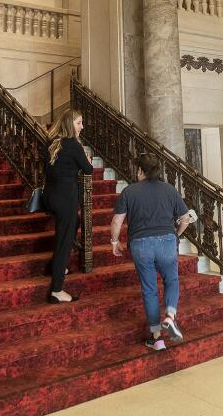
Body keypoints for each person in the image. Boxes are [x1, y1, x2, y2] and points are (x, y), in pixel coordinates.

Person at [111, 153, 192, 351]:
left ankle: (157, 338)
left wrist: (115, 242)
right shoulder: (170, 190)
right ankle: (170, 316)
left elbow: (116, 221)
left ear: (140, 170)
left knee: (149, 289)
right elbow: (186, 218)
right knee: (171, 280)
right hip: (166, 241)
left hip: (140, 245)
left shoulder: (129, 192)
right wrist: (176, 235)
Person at [44, 108, 92, 304]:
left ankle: (57, 265)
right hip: (66, 198)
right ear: (70, 125)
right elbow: (88, 169)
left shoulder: (51, 143)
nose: (82, 126)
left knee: (74, 224)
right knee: (64, 241)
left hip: (51, 196)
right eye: (79, 123)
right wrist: (87, 161)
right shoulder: (73, 144)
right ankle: (57, 290)